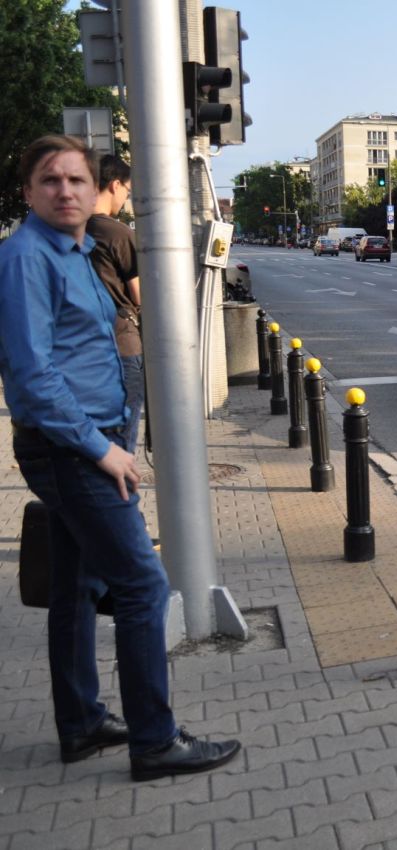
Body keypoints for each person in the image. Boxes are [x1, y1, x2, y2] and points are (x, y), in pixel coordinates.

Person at [0, 135, 241, 780]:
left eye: (76, 179)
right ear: (28, 192)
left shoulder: (77, 250)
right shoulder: (27, 257)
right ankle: (154, 742)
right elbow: (30, 377)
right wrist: (101, 448)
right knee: (141, 586)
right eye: (50, 180)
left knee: (77, 587)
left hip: (89, 440)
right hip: (72, 449)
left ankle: (80, 723)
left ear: (92, 187)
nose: (66, 190)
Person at [87, 154, 144, 453]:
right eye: (127, 191)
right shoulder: (118, 233)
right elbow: (141, 296)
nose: (125, 198)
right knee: (121, 441)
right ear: (114, 184)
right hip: (122, 346)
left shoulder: (69, 229)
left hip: (79, 349)